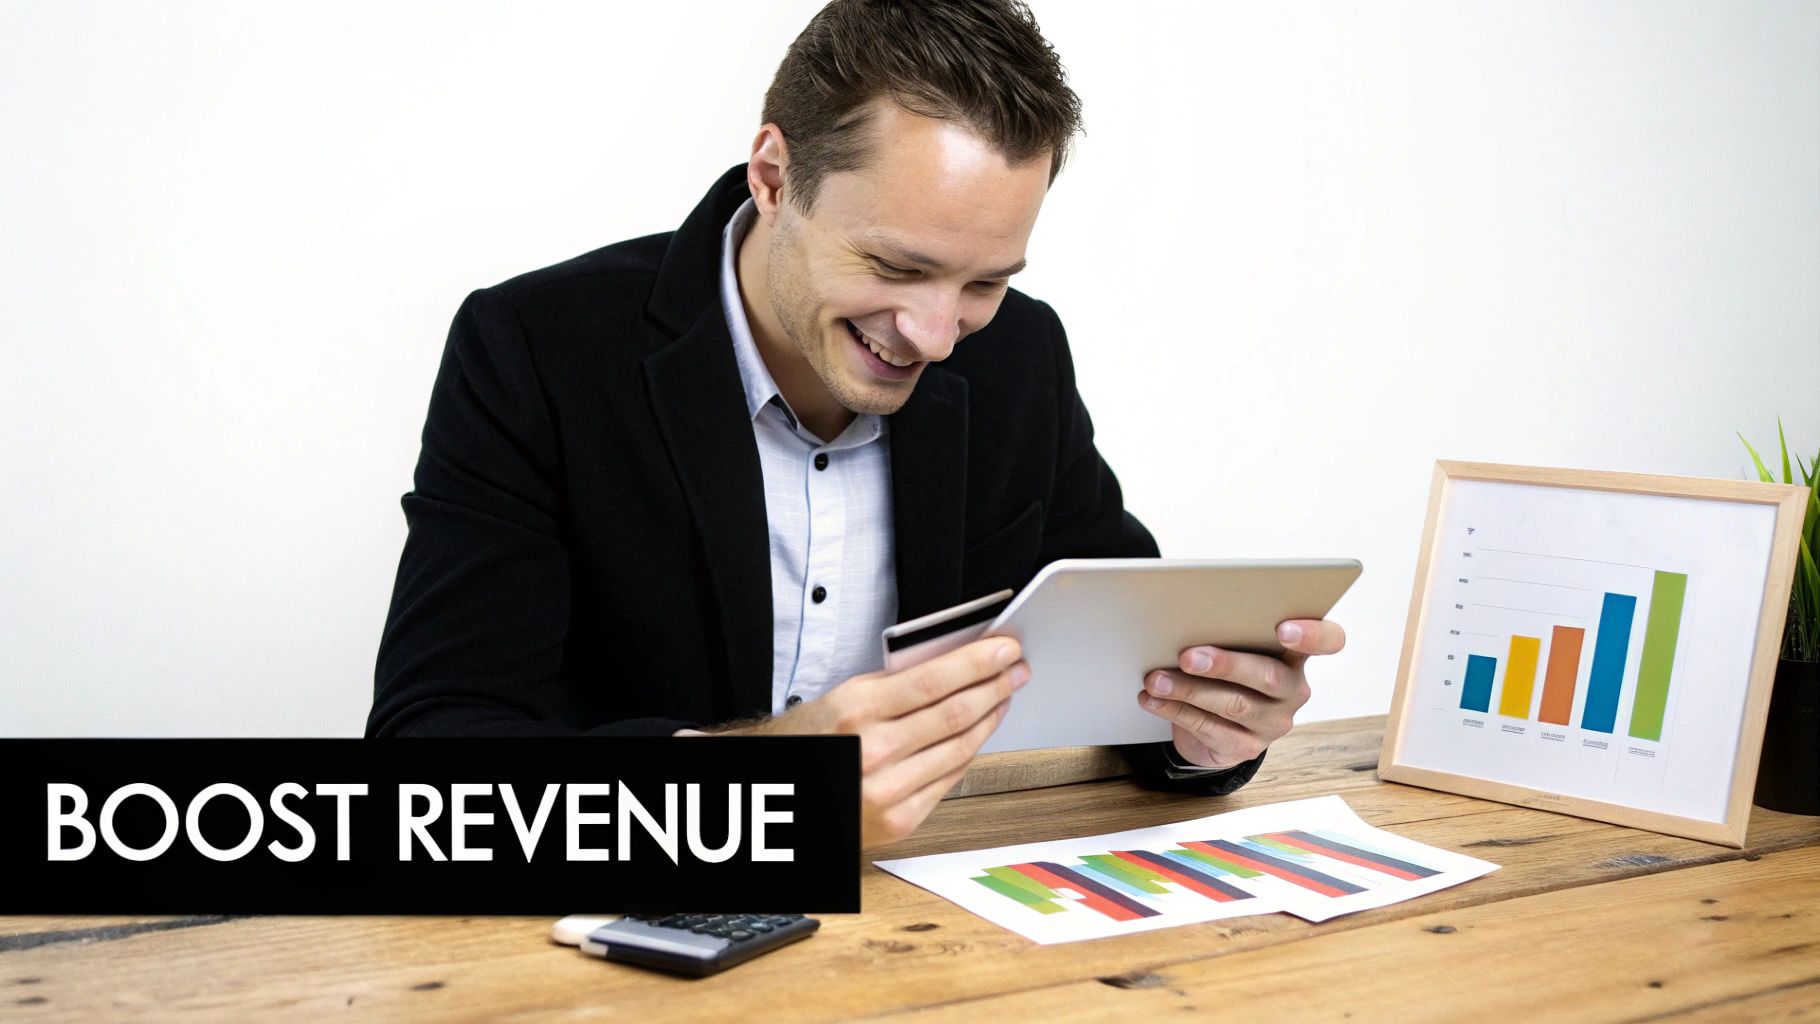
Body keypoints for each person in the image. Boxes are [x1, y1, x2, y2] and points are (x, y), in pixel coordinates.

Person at [370, 0, 1345, 848]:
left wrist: (1202, 730)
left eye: (983, 283)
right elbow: (430, 755)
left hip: (924, 927)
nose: (933, 335)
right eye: (895, 267)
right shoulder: (536, 349)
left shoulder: (1016, 356)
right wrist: (772, 779)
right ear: (771, 175)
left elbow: (1122, 655)